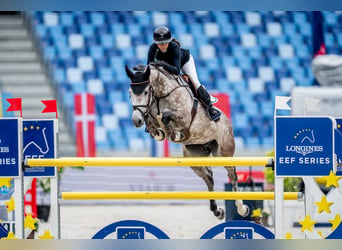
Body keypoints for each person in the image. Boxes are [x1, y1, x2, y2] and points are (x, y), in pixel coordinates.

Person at [146, 25, 221, 122]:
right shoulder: (153, 48)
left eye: (165, 43)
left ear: (169, 41)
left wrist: (163, 64)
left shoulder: (174, 47)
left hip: (184, 62)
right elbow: (149, 66)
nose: (163, 45)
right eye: (160, 43)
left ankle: (210, 108)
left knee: (194, 82)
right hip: (168, 66)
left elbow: (176, 71)